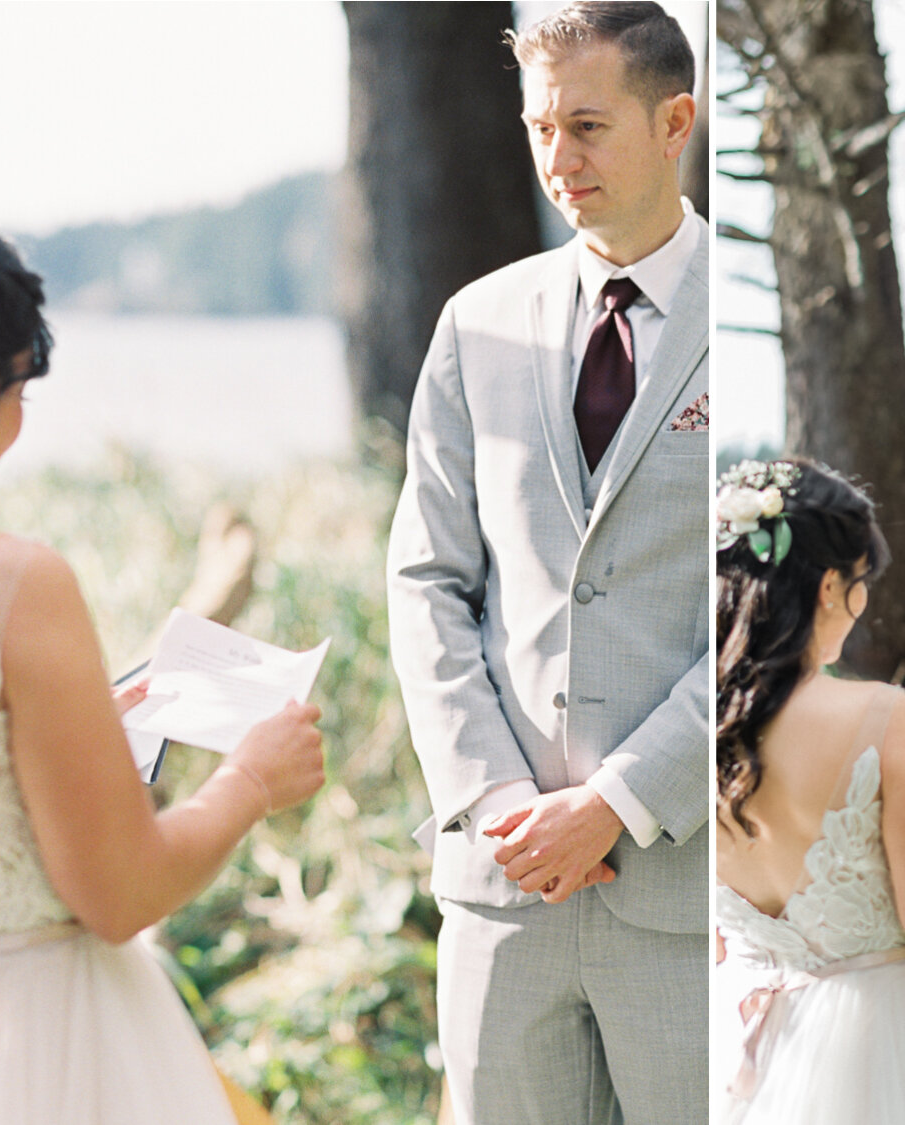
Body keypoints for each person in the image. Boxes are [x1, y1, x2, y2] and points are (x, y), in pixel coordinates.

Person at [0, 198, 325, 1123]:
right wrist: (249, 779)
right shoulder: (9, 580)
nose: (18, 424)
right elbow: (118, 895)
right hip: (58, 1052)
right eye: (20, 393)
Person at [383, 4, 708, 1122]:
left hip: (685, 882)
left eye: (587, 125)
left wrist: (619, 801)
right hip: (502, 882)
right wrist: (495, 799)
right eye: (538, 129)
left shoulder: (751, 319)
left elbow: (777, 622)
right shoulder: (477, 324)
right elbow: (427, 578)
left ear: (676, 122)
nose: (557, 161)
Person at [712, 459, 905, 1125]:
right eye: (859, 585)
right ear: (828, 585)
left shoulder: (696, 725)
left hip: (739, 1040)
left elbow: (713, 938)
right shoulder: (880, 716)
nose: (860, 607)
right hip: (878, 1049)